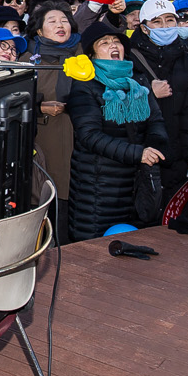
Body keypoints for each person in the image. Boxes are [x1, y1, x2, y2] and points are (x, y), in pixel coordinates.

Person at [63, 22, 170, 242]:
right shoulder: (85, 86)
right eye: (104, 42)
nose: (113, 46)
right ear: (92, 53)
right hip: (99, 187)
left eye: (117, 41)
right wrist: (137, 153)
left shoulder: (138, 81)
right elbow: (89, 136)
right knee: (94, 249)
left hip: (136, 183)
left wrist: (154, 147)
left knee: (135, 247)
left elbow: (156, 120)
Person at [124, 0, 188, 217]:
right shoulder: (127, 59)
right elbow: (113, 102)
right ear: (144, 27)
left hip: (174, 153)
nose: (164, 26)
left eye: (169, 20)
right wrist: (148, 92)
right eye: (157, 22)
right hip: (135, 152)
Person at [28, 1, 80, 204]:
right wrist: (39, 108)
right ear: (39, 30)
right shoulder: (28, 60)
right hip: (44, 143)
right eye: (53, 21)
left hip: (77, 142)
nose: (60, 25)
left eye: (64, 21)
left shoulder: (82, 53)